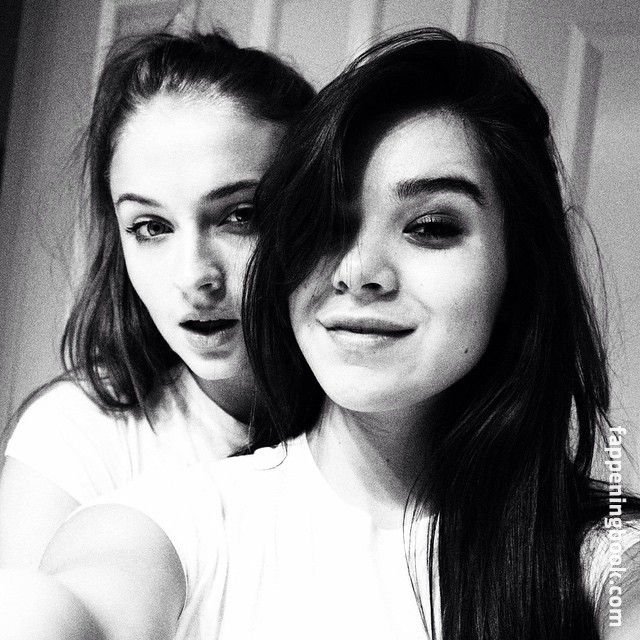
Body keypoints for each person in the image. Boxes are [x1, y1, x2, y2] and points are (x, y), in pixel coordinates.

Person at [2, 27, 639, 640]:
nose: (357, 271)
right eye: (328, 223)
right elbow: (74, 603)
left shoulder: (598, 551)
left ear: (519, 264)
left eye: (430, 226)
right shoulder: (158, 509)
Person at [0, 29, 314, 568]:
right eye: (150, 227)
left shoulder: (383, 424)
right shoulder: (77, 436)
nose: (194, 276)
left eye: (241, 216)